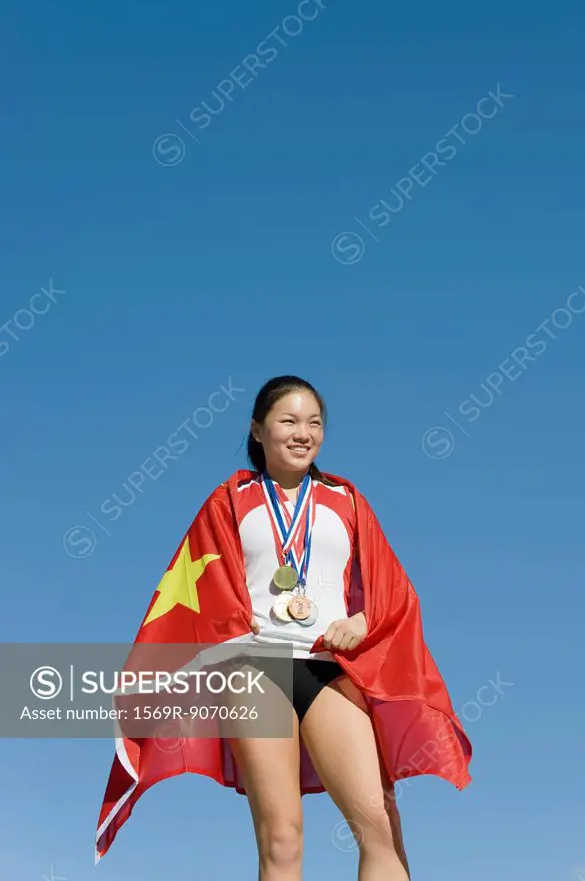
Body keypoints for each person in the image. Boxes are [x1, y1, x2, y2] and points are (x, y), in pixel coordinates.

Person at [95, 375, 472, 880]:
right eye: (288, 421)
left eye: (314, 423)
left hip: (327, 667)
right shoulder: (229, 499)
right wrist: (232, 626)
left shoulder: (348, 500)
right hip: (255, 667)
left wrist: (363, 621)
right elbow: (193, 587)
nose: (303, 433)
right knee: (282, 835)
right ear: (257, 430)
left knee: (379, 825)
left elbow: (394, 591)